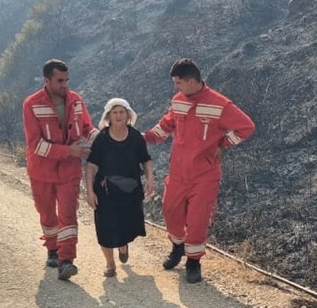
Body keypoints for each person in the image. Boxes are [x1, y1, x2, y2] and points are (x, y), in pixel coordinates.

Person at [144, 58, 255, 283]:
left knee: (198, 219)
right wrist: (141, 139)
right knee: (170, 210)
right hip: (178, 172)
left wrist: (223, 143)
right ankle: (177, 246)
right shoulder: (178, 101)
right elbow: (165, 126)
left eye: (179, 83)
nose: (177, 88)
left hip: (205, 175)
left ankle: (193, 261)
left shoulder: (220, 104)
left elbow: (246, 127)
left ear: (193, 81)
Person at [22, 59, 95, 280]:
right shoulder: (31, 104)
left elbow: (86, 128)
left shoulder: (76, 101)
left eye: (67, 80)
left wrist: (104, 140)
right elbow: (36, 145)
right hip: (41, 171)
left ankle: (66, 260)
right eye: (60, 81)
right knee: (46, 213)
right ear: (47, 80)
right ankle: (52, 248)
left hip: (69, 171)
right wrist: (68, 151)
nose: (65, 85)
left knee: (68, 215)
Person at [85, 98, 154, 277]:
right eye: (114, 112)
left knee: (127, 224)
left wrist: (150, 179)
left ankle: (123, 245)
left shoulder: (136, 137)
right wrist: (90, 191)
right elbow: (91, 166)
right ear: (108, 116)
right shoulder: (101, 139)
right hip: (105, 190)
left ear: (128, 115)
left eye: (122, 112)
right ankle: (110, 264)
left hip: (130, 191)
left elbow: (145, 159)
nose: (118, 116)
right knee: (104, 227)